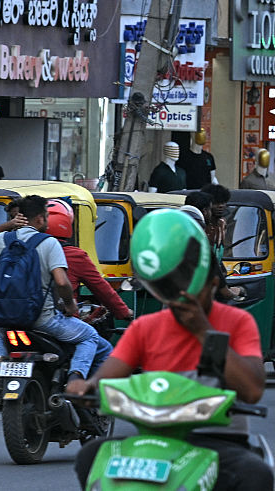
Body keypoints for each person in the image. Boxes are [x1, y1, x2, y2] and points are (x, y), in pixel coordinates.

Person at [69, 209, 271, 491]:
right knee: (92, 456)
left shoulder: (237, 322)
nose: (180, 295)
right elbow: (108, 375)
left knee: (255, 475)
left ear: (213, 284)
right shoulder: (146, 327)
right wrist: (87, 388)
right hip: (155, 437)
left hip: (217, 439)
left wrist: (204, 332)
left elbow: (251, 389)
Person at [0, 196, 112, 387]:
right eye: (46, 216)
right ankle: (75, 378)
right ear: (40, 218)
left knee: (0, 332)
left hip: (5, 316)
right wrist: (71, 305)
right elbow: (62, 282)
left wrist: (10, 224)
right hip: (42, 319)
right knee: (90, 336)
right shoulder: (49, 243)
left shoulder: (2, 240)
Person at [46, 199, 131, 321]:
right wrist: (124, 312)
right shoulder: (75, 255)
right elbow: (102, 289)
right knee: (95, 339)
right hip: (60, 320)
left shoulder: (27, 248)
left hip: (24, 318)